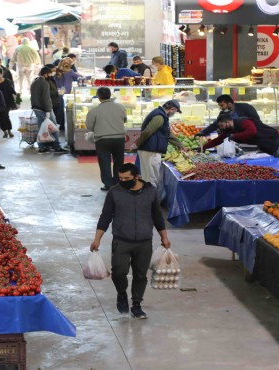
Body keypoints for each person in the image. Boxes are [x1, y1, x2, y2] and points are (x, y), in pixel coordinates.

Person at [90, 162, 171, 319]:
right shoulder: (114, 192)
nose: (123, 181)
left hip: (144, 241)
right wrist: (97, 239)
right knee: (119, 272)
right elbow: (105, 216)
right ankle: (121, 293)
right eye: (120, 178)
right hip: (121, 240)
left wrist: (164, 237)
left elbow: (157, 216)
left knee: (140, 275)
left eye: (126, 178)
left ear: (136, 177)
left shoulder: (150, 192)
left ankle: (136, 304)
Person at [136, 100, 184, 193]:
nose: (174, 113)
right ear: (172, 109)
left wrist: (179, 145)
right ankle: (151, 202)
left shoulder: (161, 115)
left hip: (148, 149)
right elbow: (148, 132)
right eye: (175, 111)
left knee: (147, 177)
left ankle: (147, 199)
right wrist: (138, 144)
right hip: (150, 150)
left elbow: (167, 133)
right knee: (151, 178)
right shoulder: (159, 117)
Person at [85, 87, 127, 191]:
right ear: (110, 95)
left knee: (104, 162)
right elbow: (125, 120)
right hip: (119, 138)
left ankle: (108, 184)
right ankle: (118, 182)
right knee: (119, 162)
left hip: (102, 140)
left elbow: (89, 127)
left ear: (99, 97)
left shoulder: (94, 111)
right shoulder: (121, 107)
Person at [200, 113, 279, 157]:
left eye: (222, 125)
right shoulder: (229, 129)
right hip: (264, 145)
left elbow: (252, 131)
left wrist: (234, 136)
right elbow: (218, 140)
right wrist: (203, 147)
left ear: (228, 121)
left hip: (274, 142)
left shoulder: (243, 121)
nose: (222, 128)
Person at [31, 66, 68, 154]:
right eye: (50, 73)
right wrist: (48, 110)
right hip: (44, 108)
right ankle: (57, 146)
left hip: (36, 107)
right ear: (46, 74)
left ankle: (42, 147)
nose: (51, 75)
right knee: (53, 127)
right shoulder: (44, 83)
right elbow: (46, 98)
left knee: (41, 128)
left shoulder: (34, 82)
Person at [54, 58, 82, 132]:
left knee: (58, 109)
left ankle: (58, 125)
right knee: (64, 110)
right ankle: (63, 125)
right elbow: (79, 78)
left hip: (57, 92)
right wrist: (90, 77)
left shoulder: (56, 70)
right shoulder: (70, 72)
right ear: (70, 65)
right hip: (66, 93)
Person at [0, 67, 17, 139]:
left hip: (7, 101)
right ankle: (4, 131)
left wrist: (17, 98)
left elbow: (12, 91)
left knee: (5, 116)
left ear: (1, 74)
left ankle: (9, 130)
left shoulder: (7, 81)